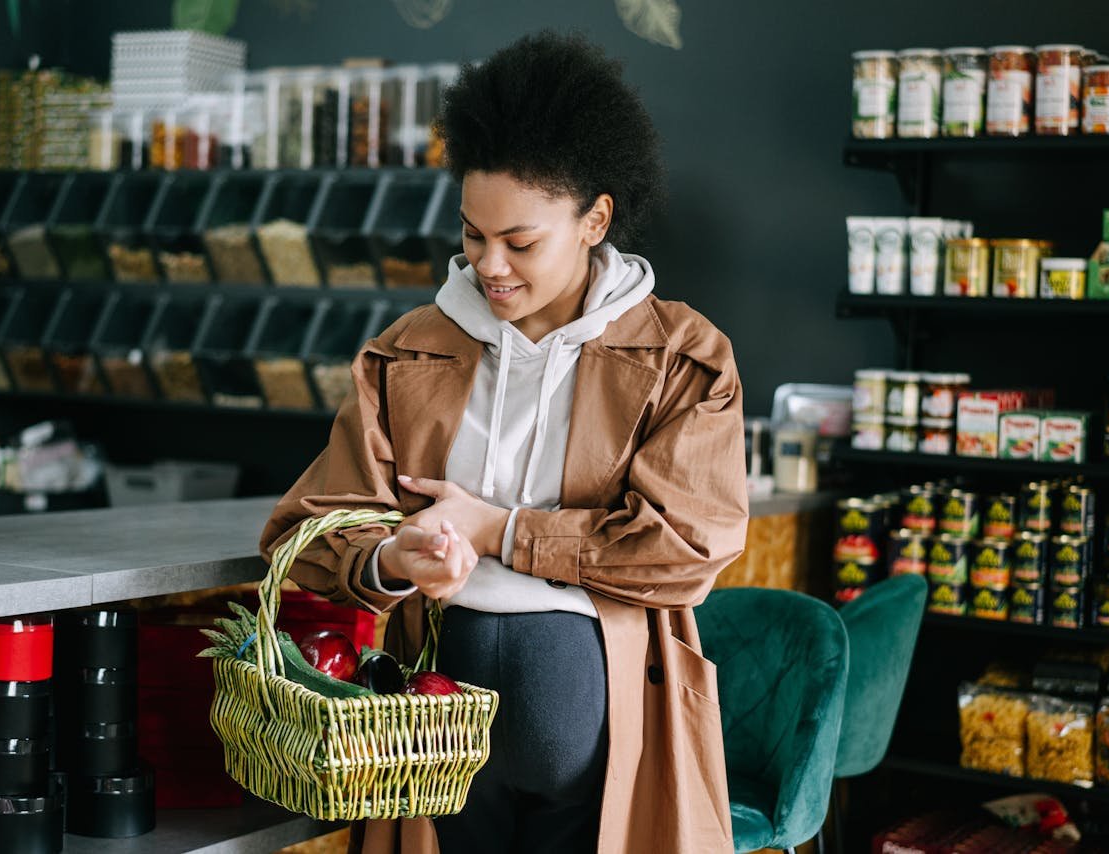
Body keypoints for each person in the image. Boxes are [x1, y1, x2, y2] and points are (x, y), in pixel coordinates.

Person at [261, 31, 748, 854]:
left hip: (595, 724)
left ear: (595, 218)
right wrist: (392, 558)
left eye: (521, 242)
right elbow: (305, 532)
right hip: (432, 729)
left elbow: (685, 549)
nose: (490, 264)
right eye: (472, 233)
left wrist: (502, 531)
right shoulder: (408, 351)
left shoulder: (683, 359)